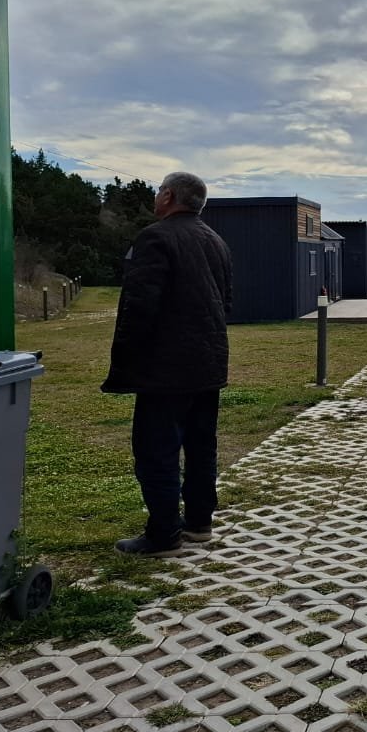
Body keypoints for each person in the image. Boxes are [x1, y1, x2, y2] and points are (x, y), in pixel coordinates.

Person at [102, 172, 232, 557]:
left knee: (156, 449)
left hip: (165, 368)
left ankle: (163, 535)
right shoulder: (216, 240)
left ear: (169, 196)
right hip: (209, 362)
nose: (156, 196)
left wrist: (126, 360)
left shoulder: (155, 237)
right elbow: (226, 301)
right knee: (201, 445)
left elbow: (140, 304)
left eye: (159, 190)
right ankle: (199, 523)